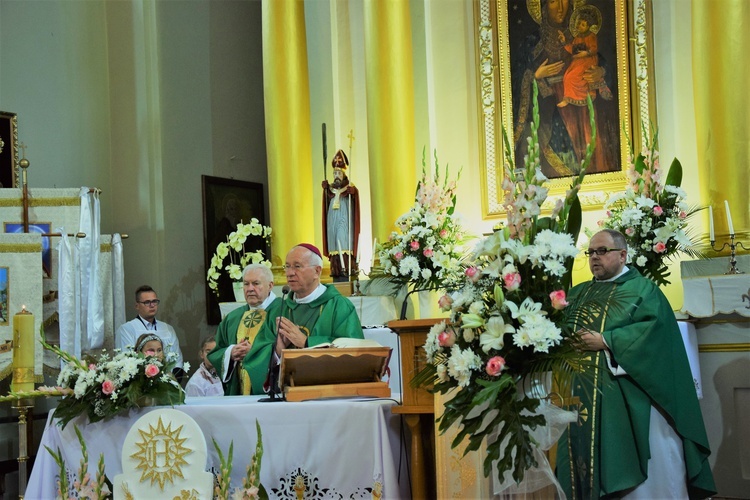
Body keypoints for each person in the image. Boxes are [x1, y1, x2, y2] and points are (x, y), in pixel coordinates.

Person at [556, 229, 715, 498]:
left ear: (622, 255)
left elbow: (656, 334)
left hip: (632, 393)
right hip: (583, 395)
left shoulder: (643, 290)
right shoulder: (579, 293)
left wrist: (606, 340)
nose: (595, 257)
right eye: (591, 252)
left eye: (602, 251)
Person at [512, 0, 620, 178]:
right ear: (543, 7)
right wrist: (535, 75)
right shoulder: (532, 43)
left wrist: (601, 71)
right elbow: (516, 82)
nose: (561, 7)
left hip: (585, 114)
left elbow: (607, 67)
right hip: (553, 114)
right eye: (554, 1)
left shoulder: (581, 38)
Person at [207, 264, 281, 395]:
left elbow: (291, 350)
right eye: (246, 284)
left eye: (256, 283)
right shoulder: (232, 318)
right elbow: (216, 352)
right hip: (238, 391)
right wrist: (230, 353)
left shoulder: (282, 310)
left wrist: (254, 353)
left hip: (272, 391)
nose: (250, 289)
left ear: (270, 285)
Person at [115, 285, 185, 379]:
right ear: (137, 306)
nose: (152, 305)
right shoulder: (127, 329)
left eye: (154, 301)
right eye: (147, 302)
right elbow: (126, 363)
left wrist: (172, 383)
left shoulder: (168, 329)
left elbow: (178, 361)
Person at [557, 5, 612, 108]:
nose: (579, 26)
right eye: (578, 24)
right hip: (578, 61)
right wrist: (564, 42)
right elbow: (572, 50)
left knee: (572, 76)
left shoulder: (591, 36)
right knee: (567, 75)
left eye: (582, 25)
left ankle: (585, 95)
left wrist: (586, 53)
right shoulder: (577, 37)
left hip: (588, 61)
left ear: (588, 26)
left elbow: (594, 48)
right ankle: (568, 97)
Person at [321, 149, 360, 282]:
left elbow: (355, 199)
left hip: (344, 218)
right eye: (335, 173)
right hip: (332, 219)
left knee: (342, 238)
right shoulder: (331, 189)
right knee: (333, 240)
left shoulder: (349, 188)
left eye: (339, 173)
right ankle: (336, 269)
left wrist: (353, 192)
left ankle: (347, 267)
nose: (336, 176)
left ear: (343, 174)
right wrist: (325, 190)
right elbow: (326, 201)